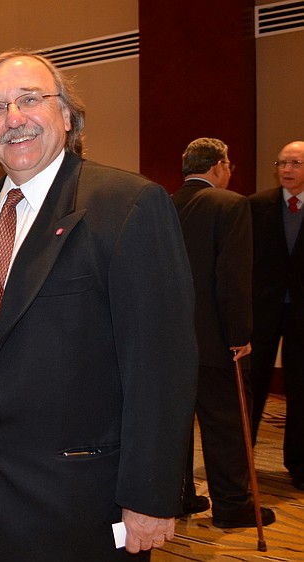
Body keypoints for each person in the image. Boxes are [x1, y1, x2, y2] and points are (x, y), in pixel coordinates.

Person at [0, 49, 198, 561]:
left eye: (29, 100)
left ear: (66, 115)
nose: (13, 118)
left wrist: (150, 496)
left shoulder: (128, 204)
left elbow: (161, 365)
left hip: (76, 505)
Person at [172, 137, 276, 527]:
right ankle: (232, 506)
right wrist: (241, 334)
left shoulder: (162, 204)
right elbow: (231, 277)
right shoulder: (231, 205)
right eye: (228, 164)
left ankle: (179, 496)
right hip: (215, 340)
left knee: (175, 424)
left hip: (170, 342)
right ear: (217, 166)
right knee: (226, 424)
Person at [250, 140, 304, 492]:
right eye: (282, 162)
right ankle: (241, 465)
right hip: (262, 311)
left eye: (295, 163)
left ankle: (298, 466)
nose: (286, 169)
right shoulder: (257, 206)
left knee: (299, 389)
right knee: (254, 386)